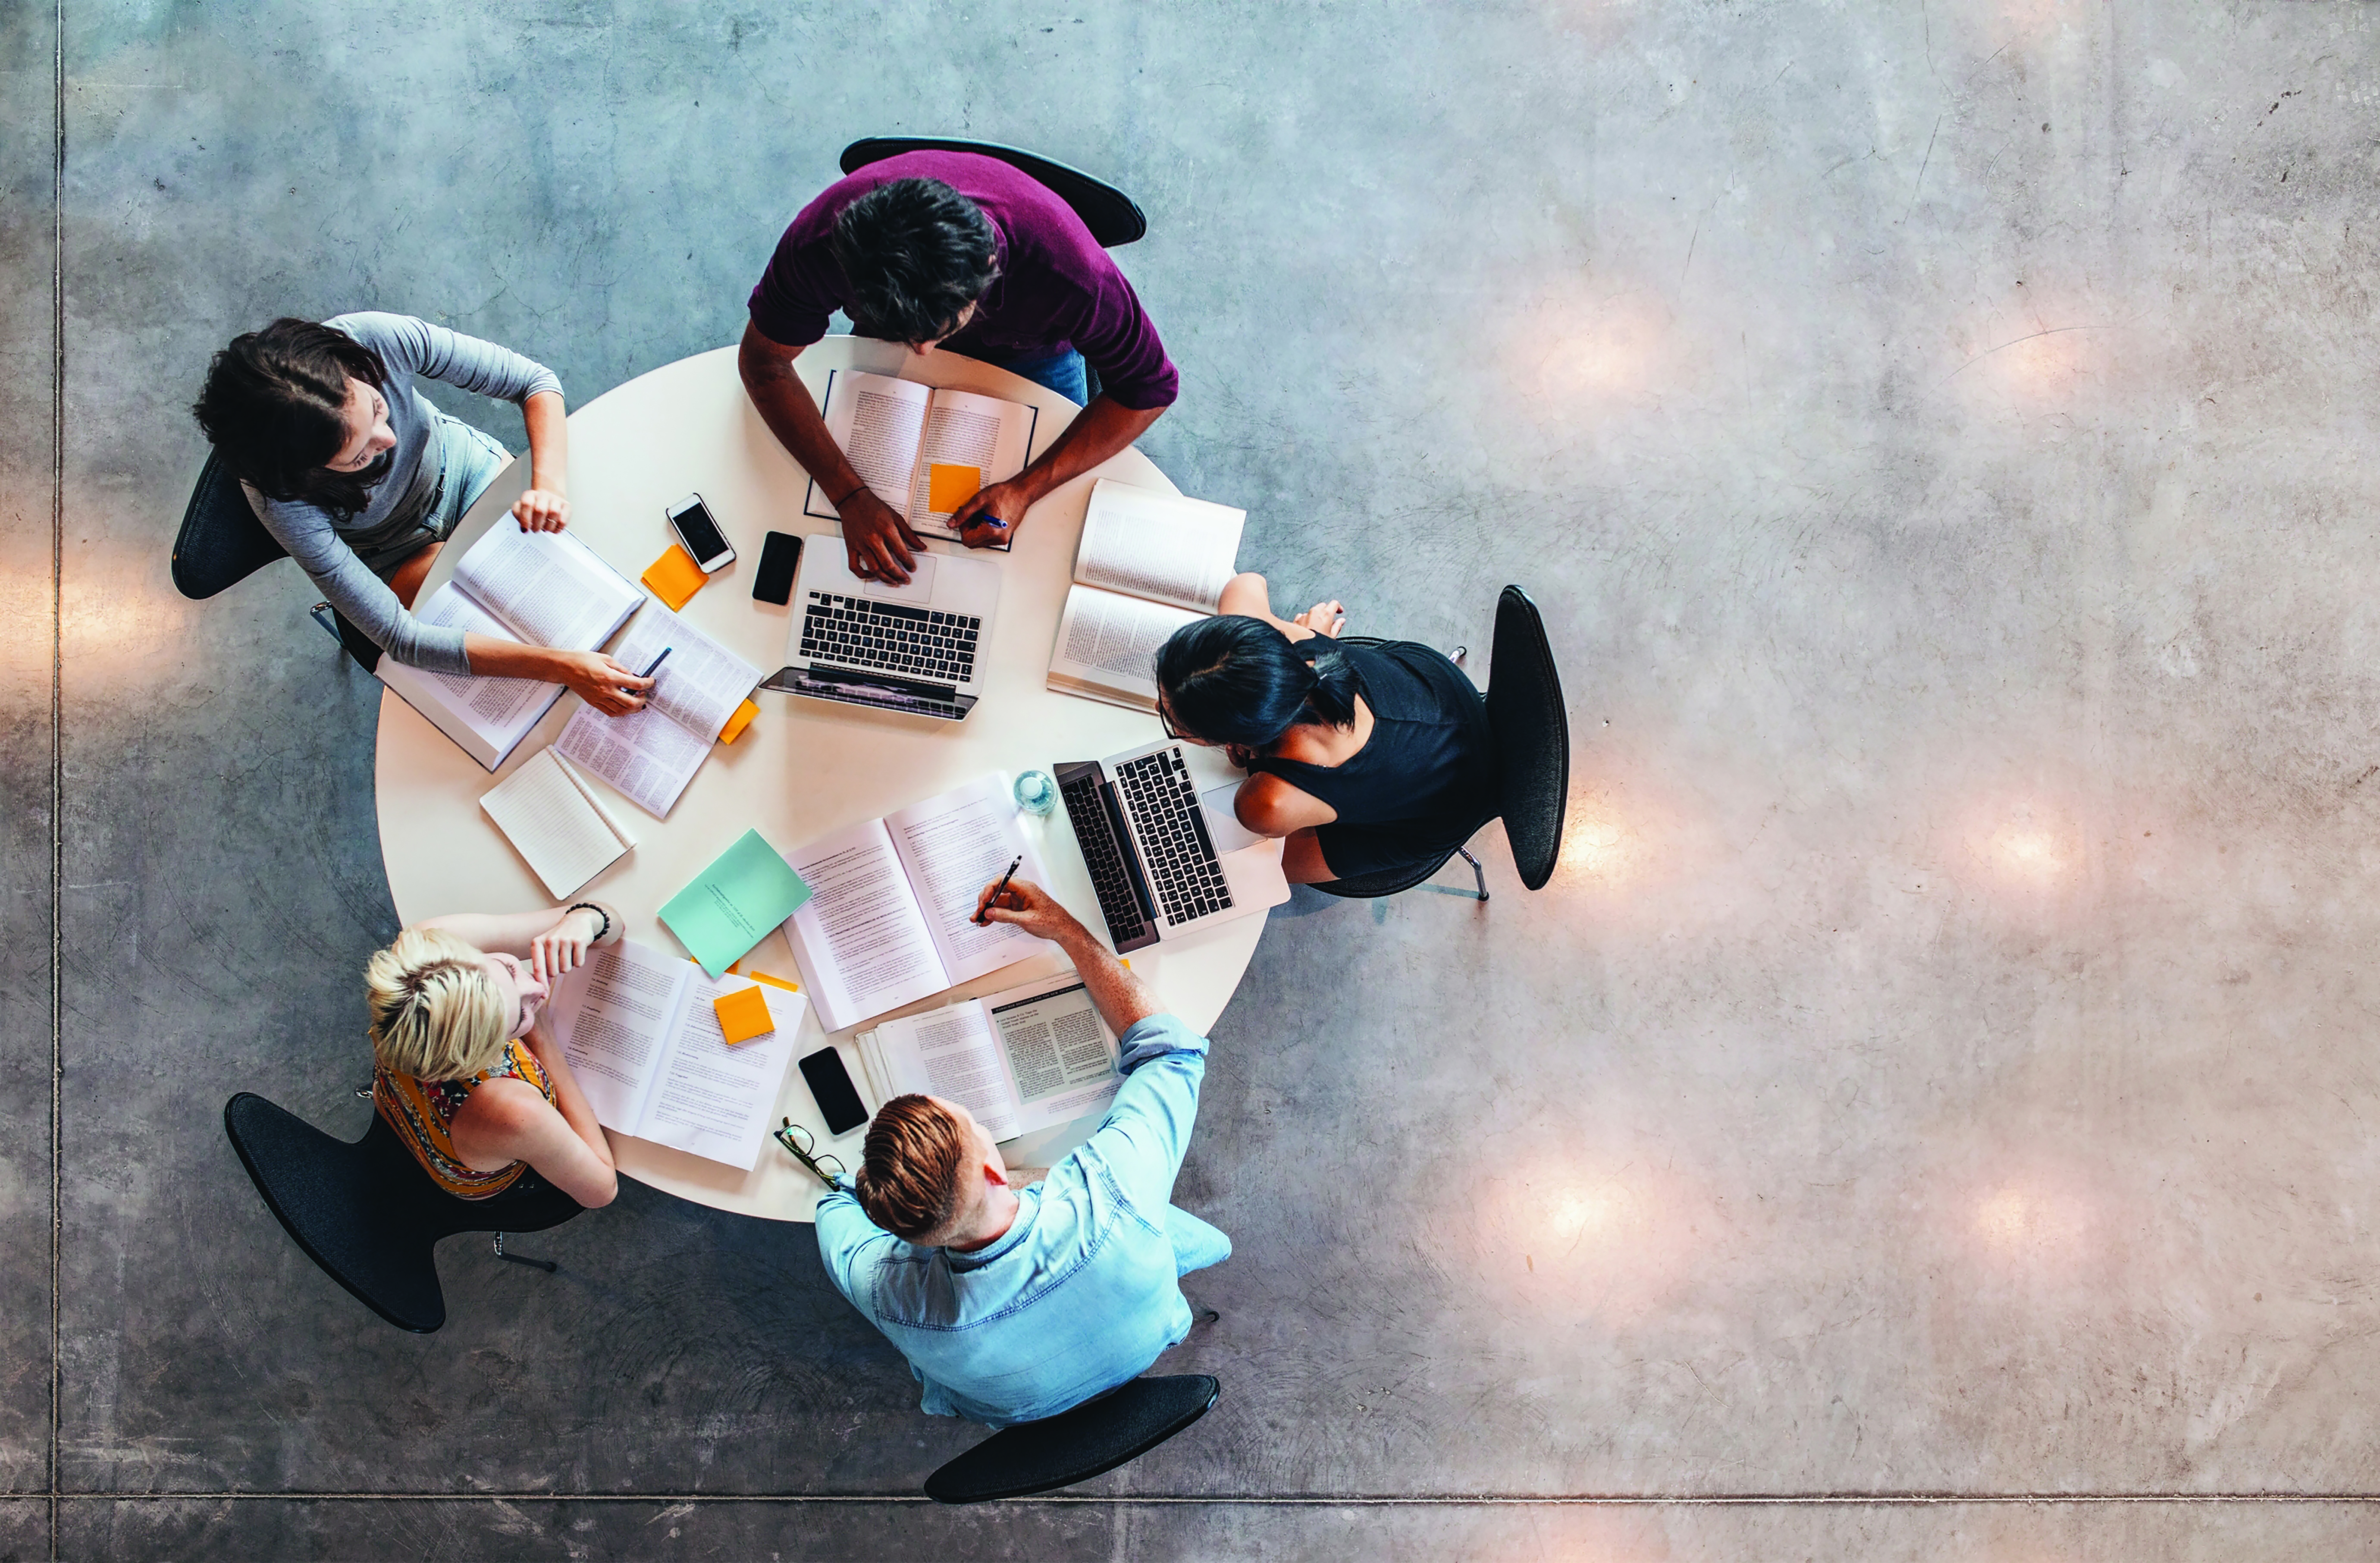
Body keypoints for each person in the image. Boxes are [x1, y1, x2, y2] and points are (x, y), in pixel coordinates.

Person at [813, 877, 1230, 1427]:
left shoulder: (889, 1294)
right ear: (993, 1169)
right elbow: (1171, 1053)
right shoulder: (1111, 1196)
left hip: (1016, 1412)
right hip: (1149, 1334)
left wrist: (879, 1190)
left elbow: (834, 1209)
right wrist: (1064, 929)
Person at [739, 151, 1179, 584]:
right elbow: (764, 364)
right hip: (898, 333)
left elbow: (1149, 390)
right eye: (908, 336)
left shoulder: (1071, 275)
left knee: (1044, 536)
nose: (923, 353)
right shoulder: (820, 242)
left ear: (990, 269)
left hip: (1034, 350)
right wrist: (848, 494)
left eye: (938, 330)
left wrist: (1025, 489)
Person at [191, 313, 652, 716]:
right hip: (392, 552)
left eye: (376, 407)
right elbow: (402, 638)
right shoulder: (279, 499)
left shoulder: (371, 338)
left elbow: (534, 382)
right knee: (516, 638)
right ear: (306, 474)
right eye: (359, 455)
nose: (389, 439)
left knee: (593, 564)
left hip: (468, 474)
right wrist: (560, 668)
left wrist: (548, 486)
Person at [1153, 574, 1499, 886]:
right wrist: (1311, 636)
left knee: (1240, 873)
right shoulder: (1286, 643)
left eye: (1175, 724)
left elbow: (1266, 805)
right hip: (1439, 692)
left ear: (1233, 738)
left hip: (1445, 808)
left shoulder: (1265, 804)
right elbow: (1245, 584)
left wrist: (1256, 762)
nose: (1157, 708)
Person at [364, 902, 623, 1210]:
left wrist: (585, 920)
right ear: (483, 1057)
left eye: (509, 969)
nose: (537, 987)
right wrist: (542, 1040)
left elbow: (610, 919)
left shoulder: (430, 949)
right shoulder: (512, 1109)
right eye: (518, 1018)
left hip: (399, 1100)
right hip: (481, 1171)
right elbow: (601, 1190)